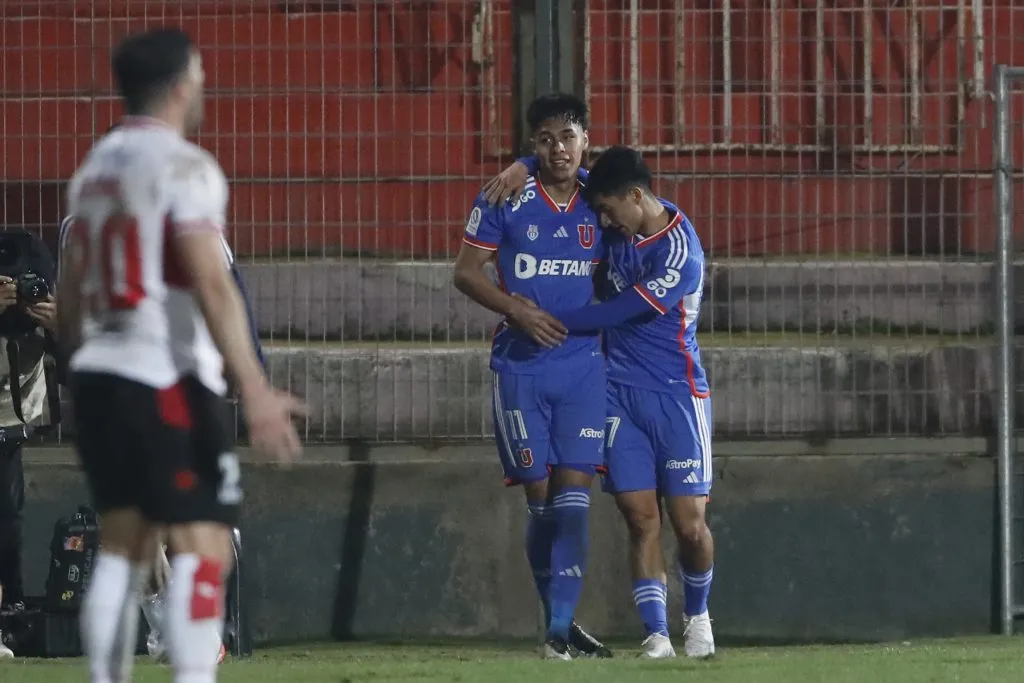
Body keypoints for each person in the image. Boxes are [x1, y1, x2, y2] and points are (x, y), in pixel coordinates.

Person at [58, 27, 304, 683]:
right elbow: (212, 282)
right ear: (181, 85)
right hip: (165, 377)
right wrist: (254, 389)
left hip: (101, 376)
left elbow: (70, 293)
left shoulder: (92, 172)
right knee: (204, 545)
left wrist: (80, 373)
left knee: (123, 547)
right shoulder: (184, 167)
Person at [533, 146, 716, 658]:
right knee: (640, 518)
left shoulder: (680, 250)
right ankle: (657, 635)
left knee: (690, 524)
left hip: (678, 397)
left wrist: (552, 320)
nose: (603, 217)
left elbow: (622, 311)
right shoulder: (618, 228)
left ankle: (697, 614)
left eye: (609, 207)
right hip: (617, 396)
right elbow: (570, 167)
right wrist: (523, 166)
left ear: (636, 196)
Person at [453, 93, 611, 660]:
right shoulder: (507, 196)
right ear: (533, 144)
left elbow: (646, 207)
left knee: (574, 501)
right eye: (544, 140)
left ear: (586, 139)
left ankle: (557, 632)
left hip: (585, 369)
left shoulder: (602, 197)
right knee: (542, 505)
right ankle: (559, 623)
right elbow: (465, 273)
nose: (558, 148)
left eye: (568, 136)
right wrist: (515, 309)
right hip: (520, 369)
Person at [0, 239, 60, 660]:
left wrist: (64, 328)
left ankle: (9, 619)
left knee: (8, 526)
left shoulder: (38, 321)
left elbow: (84, 372)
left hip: (8, 430)